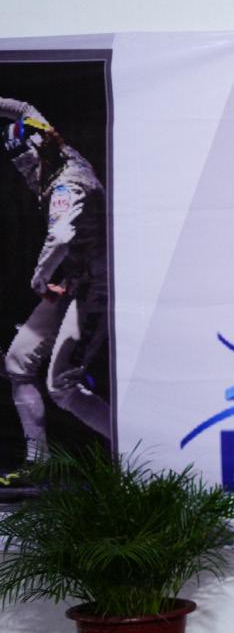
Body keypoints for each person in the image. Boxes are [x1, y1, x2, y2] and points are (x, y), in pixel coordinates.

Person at [1, 96, 110, 480]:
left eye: (25, 161)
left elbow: (61, 235)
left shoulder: (67, 184)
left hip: (96, 288)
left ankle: (129, 450)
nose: (25, 171)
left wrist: (38, 276)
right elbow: (21, 108)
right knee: (18, 362)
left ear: (37, 152)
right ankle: (39, 462)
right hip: (73, 282)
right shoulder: (51, 141)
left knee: (62, 385)